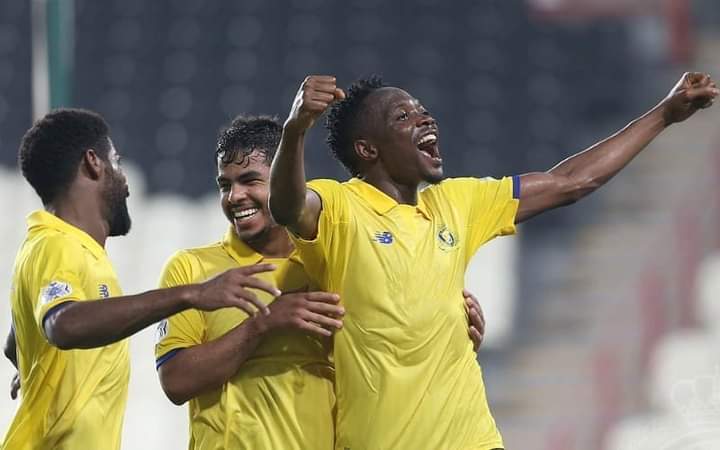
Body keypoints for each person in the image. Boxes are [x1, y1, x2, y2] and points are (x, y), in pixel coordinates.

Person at [268, 73, 718, 449]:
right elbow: (287, 205)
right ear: (369, 150)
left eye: (422, 110)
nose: (424, 118)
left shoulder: (459, 202)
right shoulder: (341, 207)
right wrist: (295, 129)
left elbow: (570, 182)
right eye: (402, 116)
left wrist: (664, 114)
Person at [154, 115, 487, 449]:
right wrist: (263, 324)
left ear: (284, 181)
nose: (234, 197)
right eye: (225, 185)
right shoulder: (192, 269)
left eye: (249, 181)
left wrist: (452, 329)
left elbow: (390, 358)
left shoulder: (340, 264)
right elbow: (176, 382)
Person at [2, 109, 283, 450]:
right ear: (93, 163)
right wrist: (192, 294)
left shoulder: (71, 250)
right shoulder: (58, 245)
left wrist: (32, 363)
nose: (125, 183)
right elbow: (63, 326)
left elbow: (15, 340)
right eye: (116, 163)